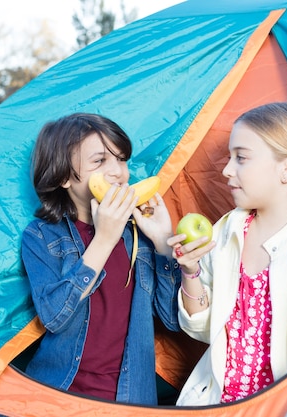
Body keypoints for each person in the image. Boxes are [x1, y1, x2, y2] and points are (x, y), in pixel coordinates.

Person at [169, 102, 287, 406]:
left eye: (241, 158)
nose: (226, 169)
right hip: (214, 405)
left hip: (285, 407)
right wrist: (190, 270)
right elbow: (205, 329)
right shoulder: (225, 230)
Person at [20, 112, 182, 405]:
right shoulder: (41, 236)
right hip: (57, 396)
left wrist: (162, 243)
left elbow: (172, 320)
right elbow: (55, 318)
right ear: (65, 177)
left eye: (121, 160)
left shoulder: (138, 236)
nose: (118, 173)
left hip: (129, 401)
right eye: (100, 161)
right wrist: (104, 239)